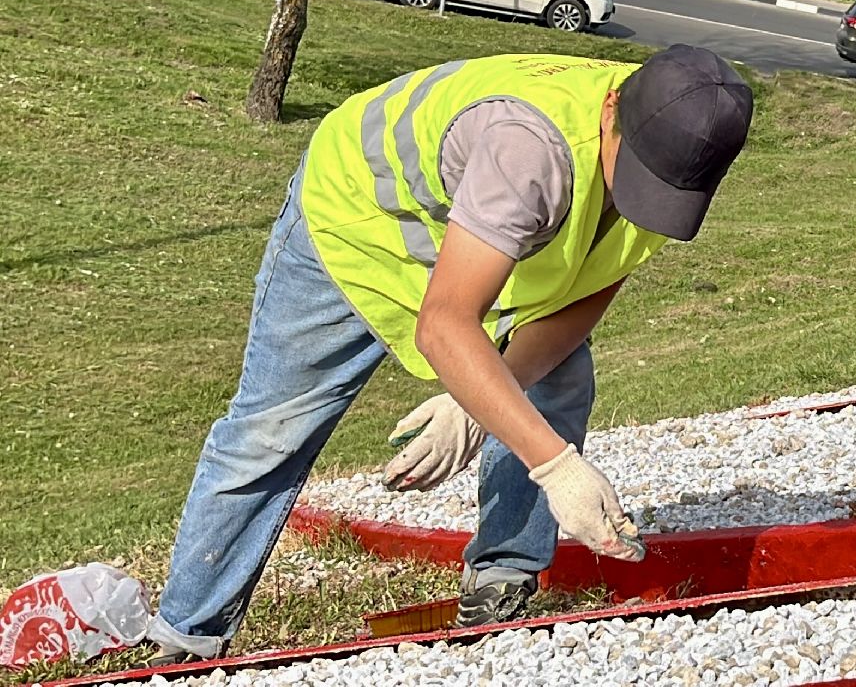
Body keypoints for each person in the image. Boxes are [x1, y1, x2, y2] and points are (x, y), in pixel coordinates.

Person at [142, 47, 753, 663]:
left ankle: (503, 576)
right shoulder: (531, 147)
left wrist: (484, 402)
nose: (639, 200)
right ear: (614, 109)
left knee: (558, 379)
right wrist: (556, 468)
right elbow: (445, 325)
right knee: (271, 430)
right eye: (636, 179)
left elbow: (589, 287)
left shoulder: (671, 150)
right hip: (356, 221)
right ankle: (186, 635)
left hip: (492, 232)